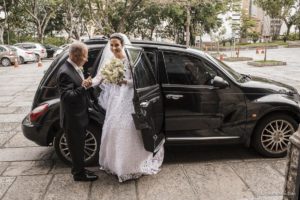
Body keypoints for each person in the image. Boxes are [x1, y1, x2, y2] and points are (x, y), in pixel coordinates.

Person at [90, 33, 164, 182]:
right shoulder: (109, 60)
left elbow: (137, 80)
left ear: (122, 44)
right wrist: (88, 83)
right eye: (111, 45)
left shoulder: (131, 59)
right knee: (113, 128)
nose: (114, 48)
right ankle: (115, 164)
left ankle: (131, 165)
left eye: (116, 45)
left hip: (129, 98)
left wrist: (124, 81)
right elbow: (99, 78)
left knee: (129, 128)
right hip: (115, 99)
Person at [56, 42, 98, 182]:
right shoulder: (64, 72)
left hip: (79, 116)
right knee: (76, 148)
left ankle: (80, 169)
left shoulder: (73, 67)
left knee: (79, 146)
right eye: (84, 56)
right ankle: (79, 174)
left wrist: (84, 83)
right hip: (72, 119)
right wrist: (84, 86)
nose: (86, 59)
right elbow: (67, 97)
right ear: (75, 55)